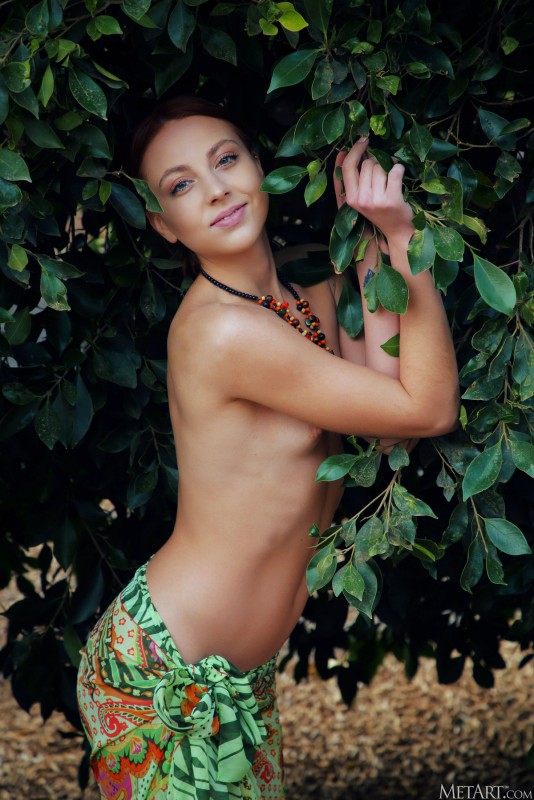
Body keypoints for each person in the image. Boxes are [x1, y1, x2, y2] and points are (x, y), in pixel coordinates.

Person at [77, 96, 459, 800]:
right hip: (164, 671)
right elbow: (428, 408)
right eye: (182, 185)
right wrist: (406, 242)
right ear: (163, 224)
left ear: (259, 166)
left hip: (240, 673)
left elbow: (388, 417)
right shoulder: (221, 333)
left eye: (226, 159)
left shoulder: (307, 289)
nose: (216, 189)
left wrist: (373, 238)